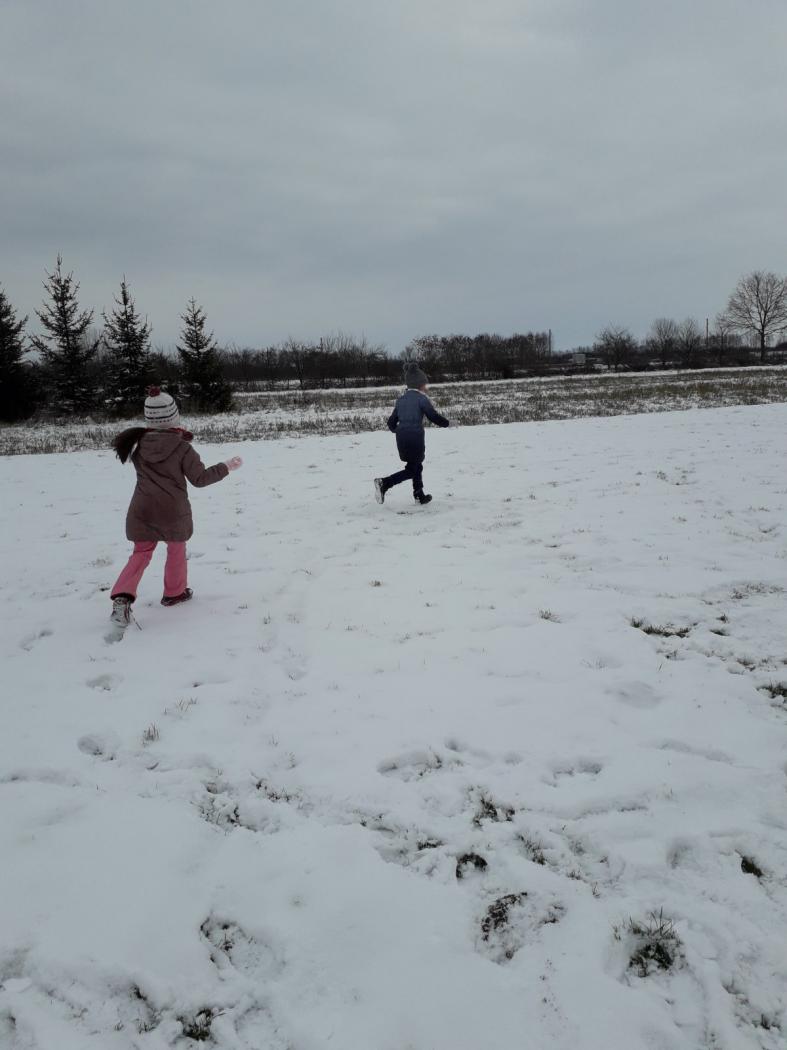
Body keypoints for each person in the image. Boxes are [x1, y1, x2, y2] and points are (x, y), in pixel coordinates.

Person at [109, 387, 242, 627]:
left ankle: (122, 596)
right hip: (172, 511)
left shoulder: (138, 445)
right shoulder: (182, 448)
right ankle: (174, 593)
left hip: (142, 509)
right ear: (173, 417)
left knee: (140, 553)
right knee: (176, 549)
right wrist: (225, 467)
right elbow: (200, 479)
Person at [374, 363, 450, 506]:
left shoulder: (401, 400)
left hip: (401, 438)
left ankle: (419, 495)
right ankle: (385, 483)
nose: (426, 386)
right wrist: (448, 423)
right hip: (415, 438)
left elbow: (391, 422)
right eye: (424, 383)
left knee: (416, 465)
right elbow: (433, 416)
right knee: (412, 469)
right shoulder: (422, 399)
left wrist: (399, 431)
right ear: (419, 384)